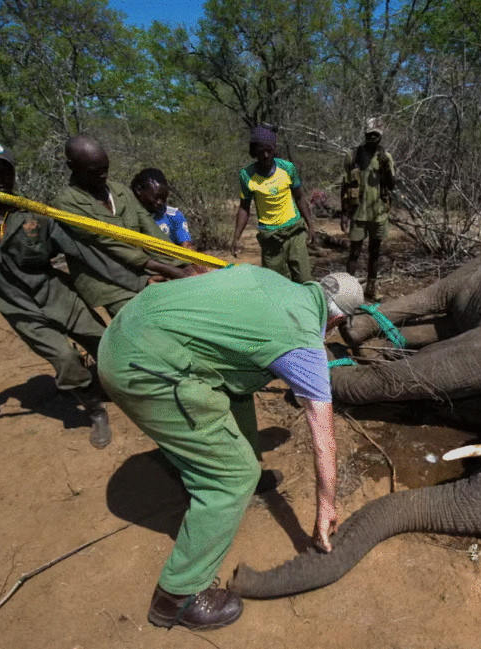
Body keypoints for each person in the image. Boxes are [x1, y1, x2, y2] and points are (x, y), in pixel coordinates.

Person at [96, 266, 365, 630]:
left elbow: (205, 280)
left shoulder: (271, 280)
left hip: (128, 323)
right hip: (142, 366)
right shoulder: (302, 344)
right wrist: (327, 507)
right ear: (335, 321)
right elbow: (324, 437)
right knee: (232, 476)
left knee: (236, 385)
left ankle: (235, 461)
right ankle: (176, 596)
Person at [0, 141, 137, 448]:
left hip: (56, 292)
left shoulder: (34, 213)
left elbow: (82, 251)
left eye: (5, 169)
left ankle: (119, 385)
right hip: (15, 303)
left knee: (104, 339)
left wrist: (137, 277)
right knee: (65, 357)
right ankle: (94, 409)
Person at [53, 135, 193, 317]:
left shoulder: (120, 192)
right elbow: (108, 243)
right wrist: (171, 271)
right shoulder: (66, 204)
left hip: (145, 269)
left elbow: (150, 230)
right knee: (144, 323)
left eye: (106, 168)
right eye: (95, 170)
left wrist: (183, 262)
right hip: (109, 281)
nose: (104, 175)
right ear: (72, 167)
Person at [231, 125, 316, 284]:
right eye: (260, 151)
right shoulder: (247, 175)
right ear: (254, 152)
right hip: (270, 236)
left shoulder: (287, 168)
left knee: (304, 280)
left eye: (268, 150)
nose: (265, 155)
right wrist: (236, 238)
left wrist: (310, 225)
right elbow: (244, 207)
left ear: (274, 149)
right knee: (276, 283)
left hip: (295, 231)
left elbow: (299, 197)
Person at [341, 118, 396, 300]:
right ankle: (349, 291)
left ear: (380, 137)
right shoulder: (353, 155)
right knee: (354, 252)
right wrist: (344, 213)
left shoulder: (385, 157)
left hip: (378, 213)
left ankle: (371, 289)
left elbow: (392, 185)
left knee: (375, 252)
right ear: (365, 134)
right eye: (370, 134)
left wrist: (386, 168)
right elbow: (345, 184)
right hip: (357, 212)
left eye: (376, 134)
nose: (373, 137)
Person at [130, 168, 196, 250]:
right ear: (139, 190)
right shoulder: (126, 214)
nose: (160, 202)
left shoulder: (174, 216)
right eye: (156, 197)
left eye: (164, 198)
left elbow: (187, 246)